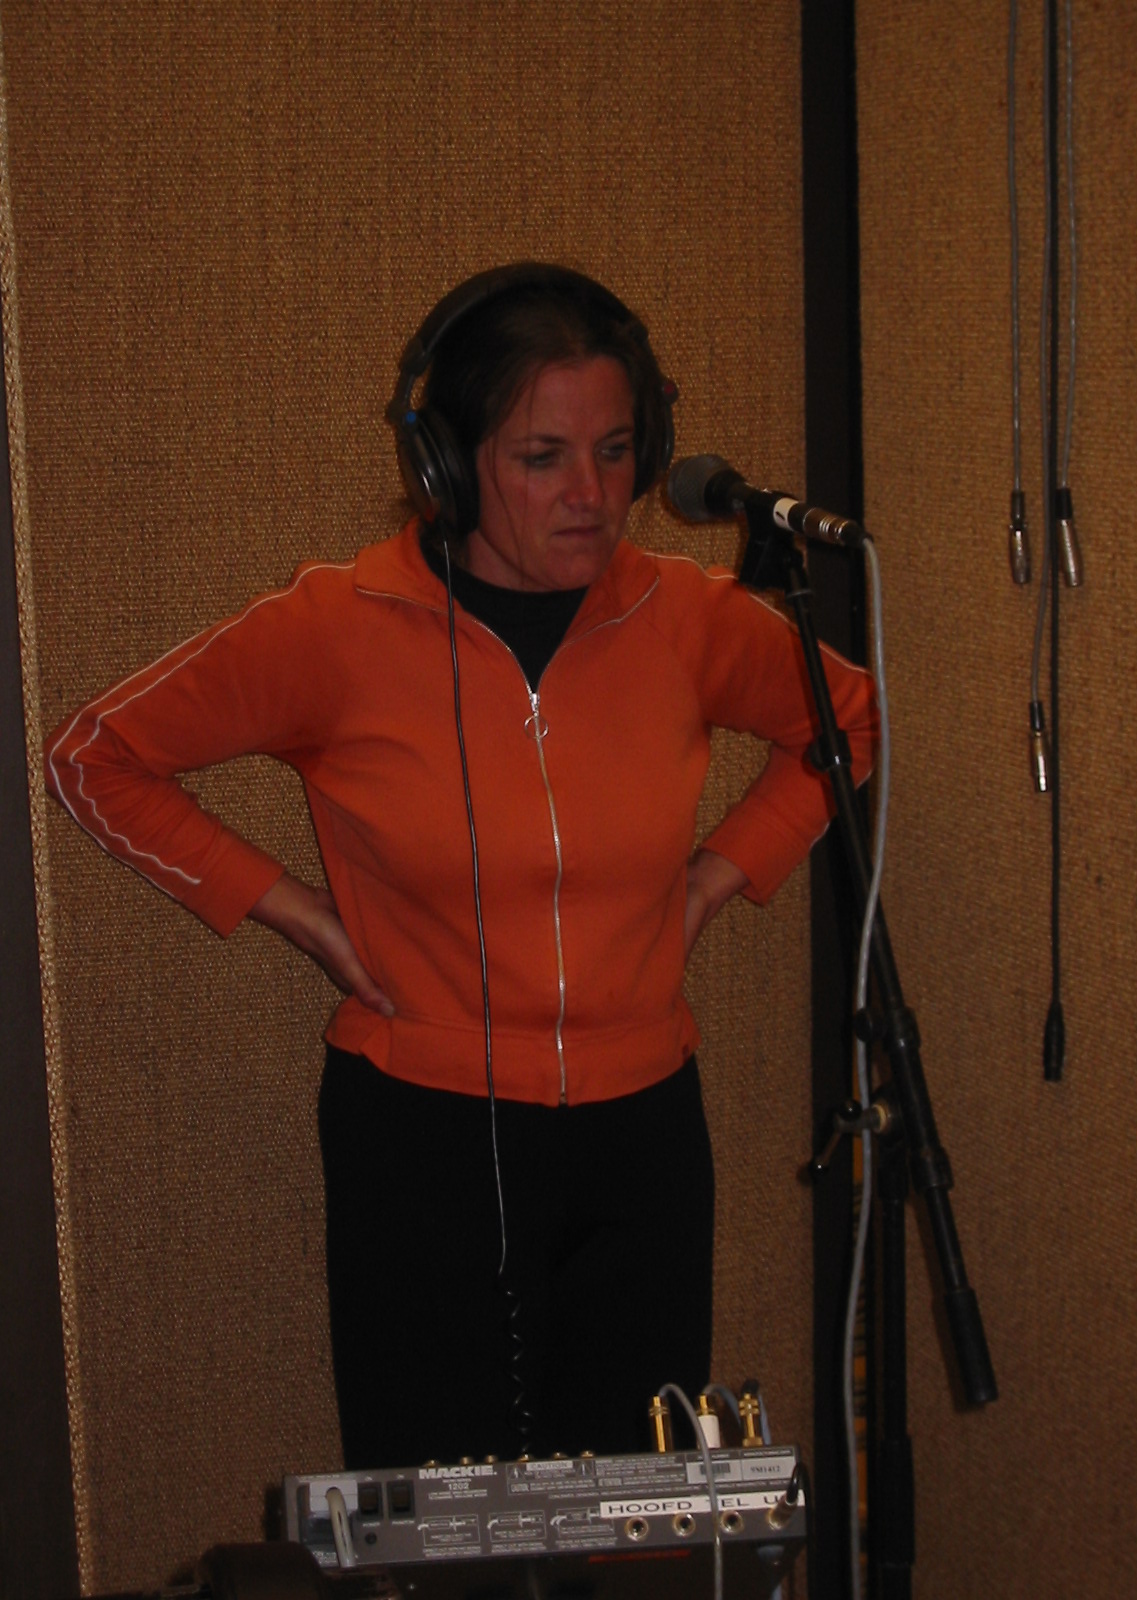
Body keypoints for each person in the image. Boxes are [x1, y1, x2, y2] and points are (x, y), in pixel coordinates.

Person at [44, 263, 875, 1468]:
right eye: (542, 457)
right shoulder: (337, 626)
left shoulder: (685, 615)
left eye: (616, 452)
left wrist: (721, 873)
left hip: (642, 1134)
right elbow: (95, 756)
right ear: (445, 463)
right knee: (438, 1509)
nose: (591, 495)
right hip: (418, 1136)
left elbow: (849, 720)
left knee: (628, 1511)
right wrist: (293, 911)